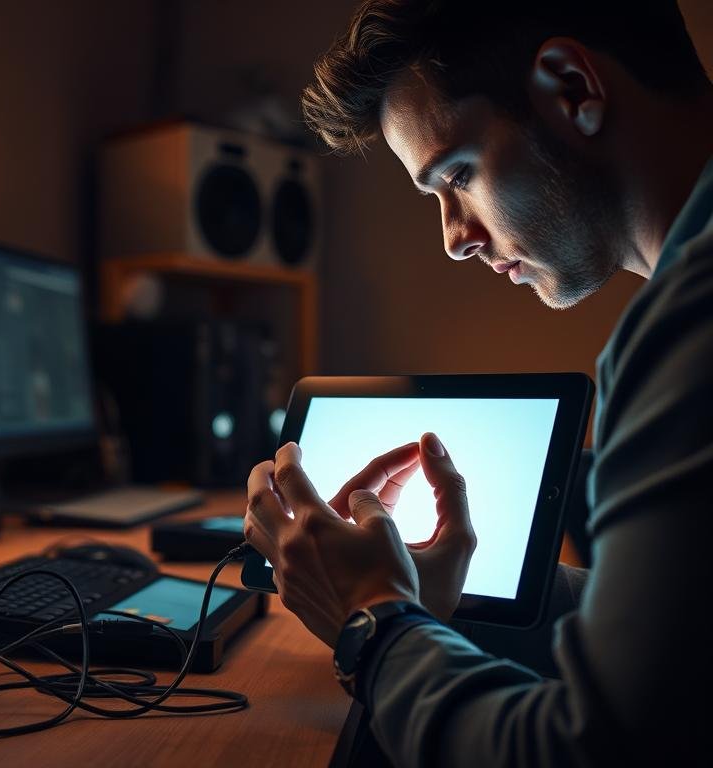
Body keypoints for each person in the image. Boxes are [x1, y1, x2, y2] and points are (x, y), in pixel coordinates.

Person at [243, 1, 713, 765]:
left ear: (572, 89)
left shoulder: (691, 322)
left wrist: (375, 622)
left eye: (456, 175)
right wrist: (476, 601)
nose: (454, 238)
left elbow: (587, 753)